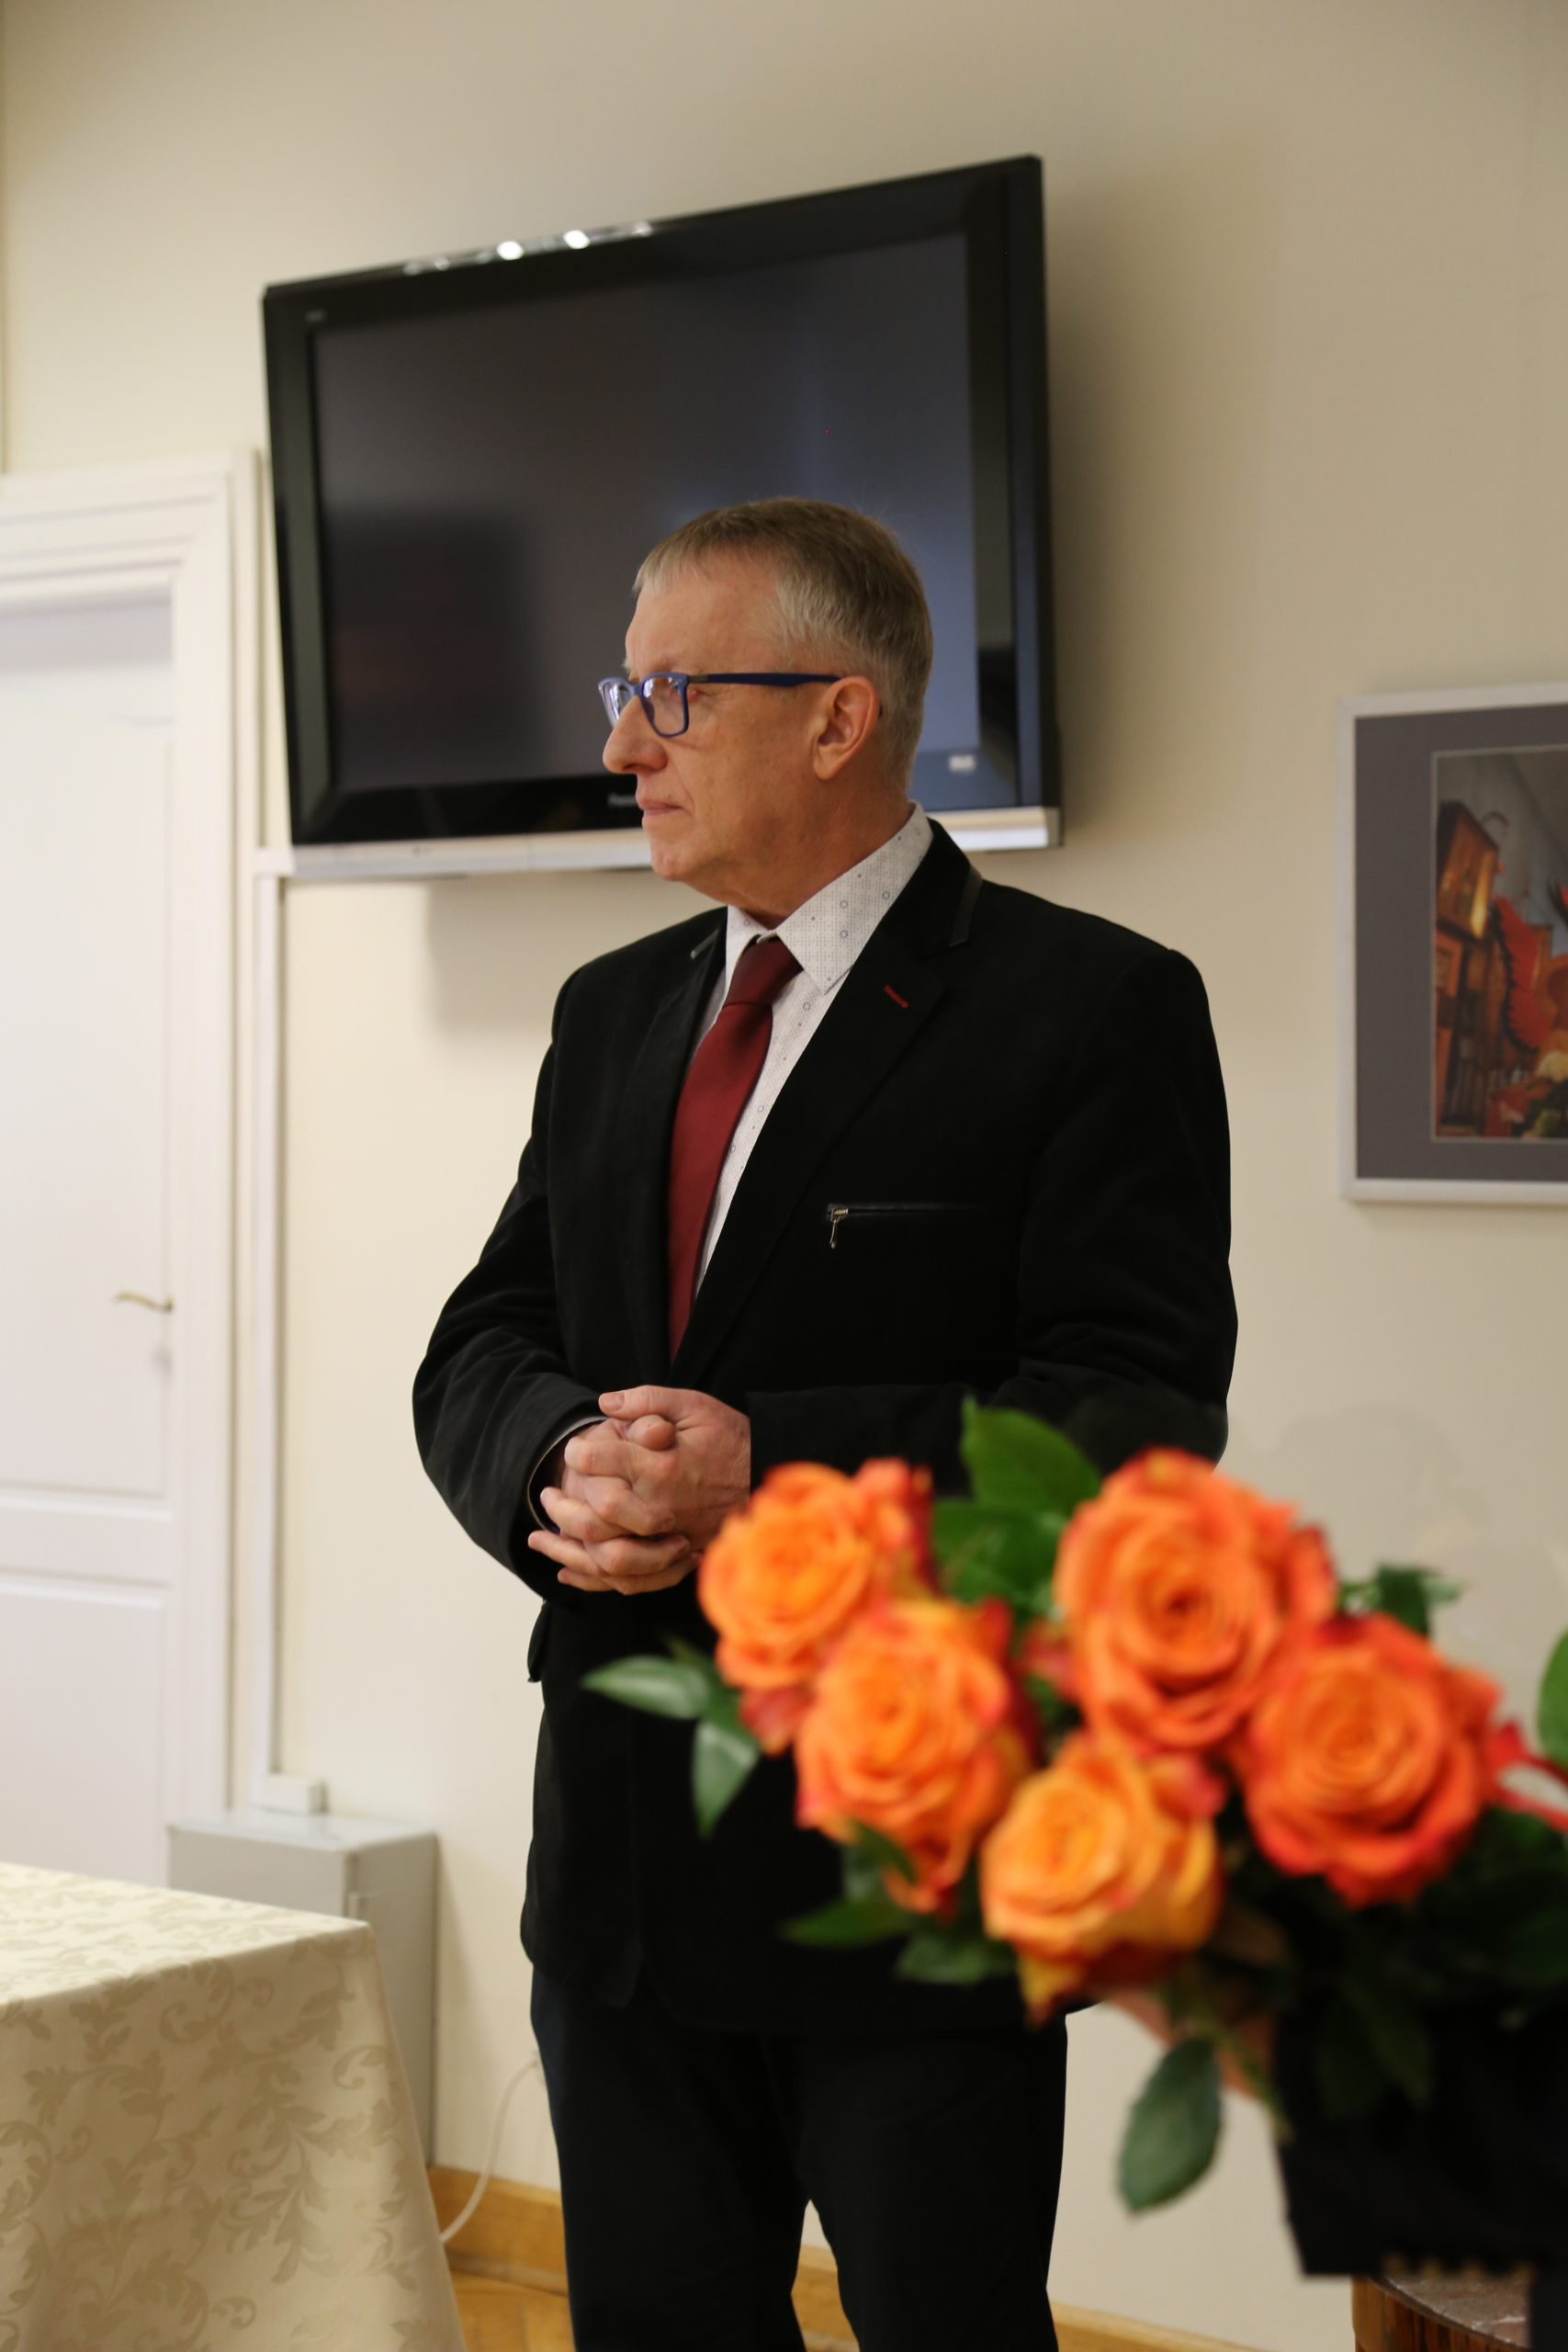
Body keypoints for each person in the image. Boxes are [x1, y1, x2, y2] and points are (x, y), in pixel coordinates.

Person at [413, 498, 1236, 2352]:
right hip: (624, 1873)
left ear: (838, 719)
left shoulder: (1092, 1007)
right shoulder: (610, 1012)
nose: (624, 747)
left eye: (673, 696)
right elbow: (487, 1336)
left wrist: (764, 1472)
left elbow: (1133, 1416)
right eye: (623, 694)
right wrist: (558, 1460)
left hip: (908, 1883)